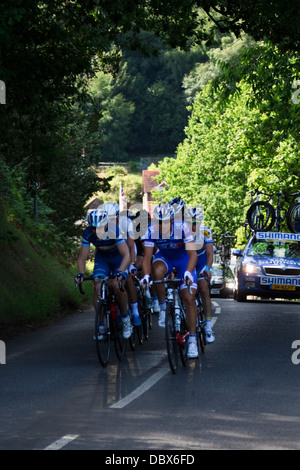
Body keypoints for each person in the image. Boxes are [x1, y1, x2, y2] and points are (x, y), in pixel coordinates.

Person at [140, 202, 199, 359]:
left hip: (183, 260)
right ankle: (163, 306)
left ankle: (192, 341)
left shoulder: (183, 227)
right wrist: (146, 276)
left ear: (173, 220)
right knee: (156, 270)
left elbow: (192, 254)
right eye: (160, 222)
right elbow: (146, 257)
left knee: (188, 298)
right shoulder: (151, 230)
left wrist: (188, 272)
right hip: (165, 259)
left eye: (166, 222)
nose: (163, 225)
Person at [74, 204, 132, 339]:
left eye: (99, 227)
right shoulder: (88, 233)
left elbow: (126, 255)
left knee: (117, 286)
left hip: (118, 259)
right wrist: (81, 274)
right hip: (103, 260)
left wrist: (121, 271)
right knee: (97, 284)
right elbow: (83, 257)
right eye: (93, 228)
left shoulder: (115, 230)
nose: (96, 230)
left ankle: (125, 319)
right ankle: (100, 324)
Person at [185, 207, 215, 343]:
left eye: (195, 221)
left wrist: (208, 268)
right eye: (190, 221)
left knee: (203, 289)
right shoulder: (183, 231)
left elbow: (210, 254)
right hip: (188, 261)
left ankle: (208, 327)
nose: (193, 224)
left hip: (201, 261)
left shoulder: (205, 231)